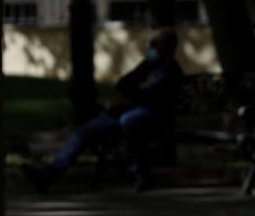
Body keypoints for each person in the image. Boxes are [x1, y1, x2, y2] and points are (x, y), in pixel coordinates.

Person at [22, 27, 185, 193]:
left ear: (167, 46)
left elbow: (153, 96)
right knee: (84, 132)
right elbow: (123, 84)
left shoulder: (171, 70)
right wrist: (143, 74)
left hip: (153, 117)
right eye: (151, 43)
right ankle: (47, 175)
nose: (150, 47)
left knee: (130, 121)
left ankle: (143, 175)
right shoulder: (148, 66)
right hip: (126, 114)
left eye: (155, 43)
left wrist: (133, 96)